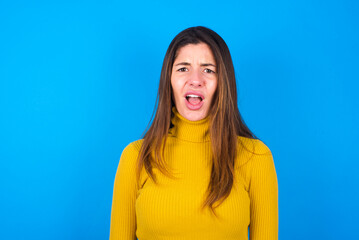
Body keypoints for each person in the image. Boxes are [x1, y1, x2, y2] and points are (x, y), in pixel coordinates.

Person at [109, 26, 278, 240]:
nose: (195, 79)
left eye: (208, 70)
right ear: (168, 80)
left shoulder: (256, 157)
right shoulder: (136, 157)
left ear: (222, 82)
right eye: (183, 68)